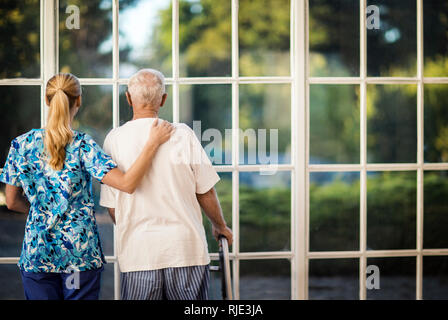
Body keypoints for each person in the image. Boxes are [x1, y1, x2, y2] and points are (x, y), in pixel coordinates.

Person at [0, 73, 174, 300]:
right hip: (79, 257)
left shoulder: (20, 145)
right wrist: (152, 143)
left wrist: (42, 210)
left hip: (38, 254)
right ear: (78, 101)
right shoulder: (83, 145)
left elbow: (12, 201)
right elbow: (127, 183)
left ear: (46, 99)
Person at [100, 69, 233, 300]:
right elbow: (206, 192)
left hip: (139, 254)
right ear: (163, 99)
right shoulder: (183, 134)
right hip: (186, 250)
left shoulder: (114, 139)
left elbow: (113, 208)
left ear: (129, 99)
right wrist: (220, 226)